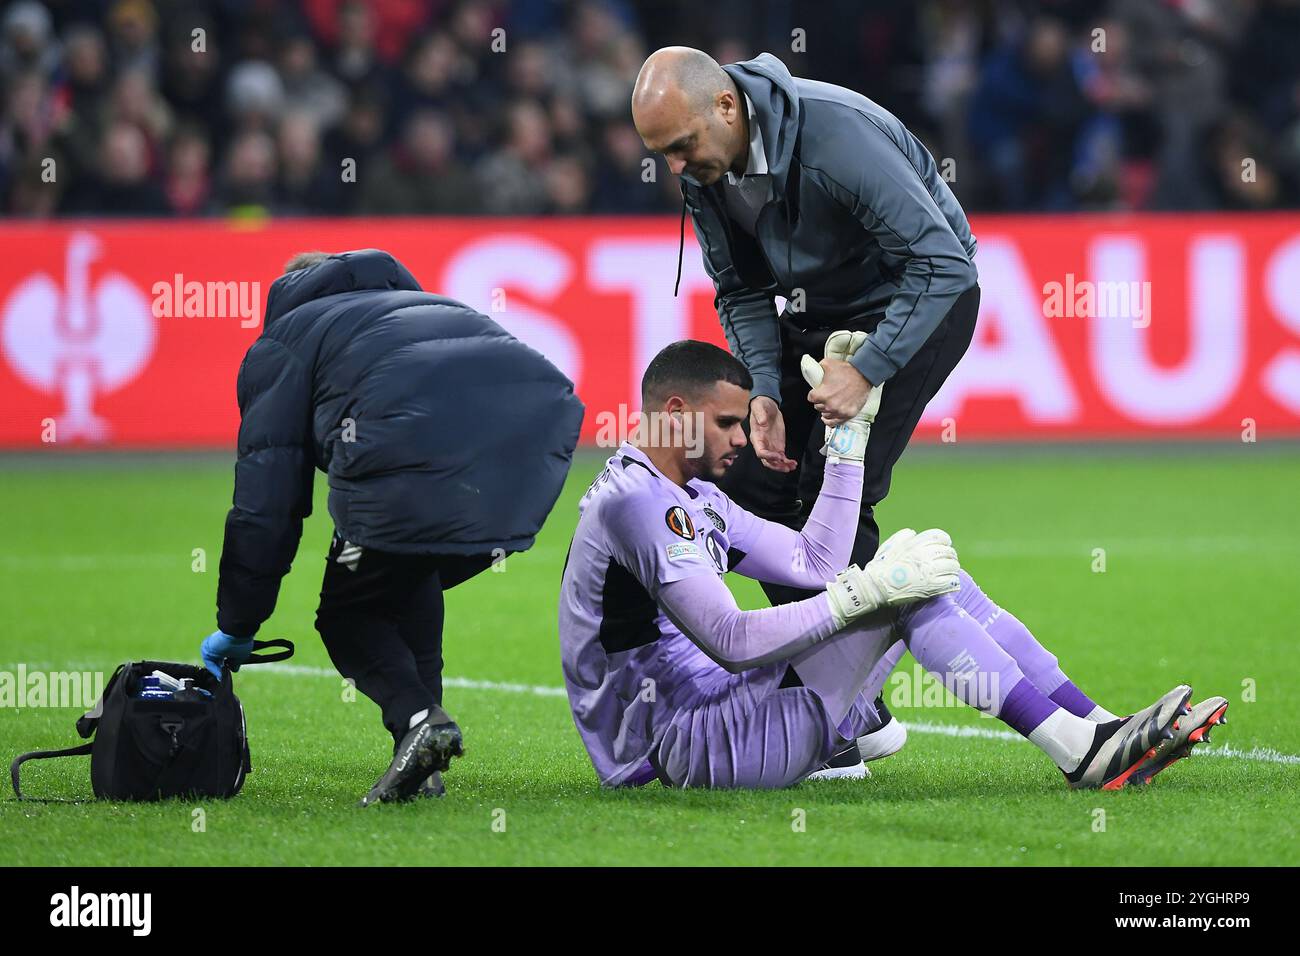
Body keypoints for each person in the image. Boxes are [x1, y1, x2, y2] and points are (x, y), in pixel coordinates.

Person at [557, 340, 1227, 790]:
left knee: (934, 575)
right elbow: (731, 641)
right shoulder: (639, 505)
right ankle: (1080, 755)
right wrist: (860, 595)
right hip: (678, 748)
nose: (743, 437)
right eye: (729, 423)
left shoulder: (689, 496)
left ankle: (1098, 726)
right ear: (676, 413)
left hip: (719, 714)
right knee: (900, 594)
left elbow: (813, 560)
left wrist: (847, 445)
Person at [201, 249, 584, 805]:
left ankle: (419, 722)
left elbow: (269, 498)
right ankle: (421, 759)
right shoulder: (421, 306)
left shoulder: (287, 339)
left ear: (288, 294)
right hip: (523, 446)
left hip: (403, 451)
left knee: (349, 613)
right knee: (405, 574)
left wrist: (238, 622)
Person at [630, 48, 981, 607]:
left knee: (836, 484)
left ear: (726, 106)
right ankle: (818, 671)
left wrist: (866, 370)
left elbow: (943, 264)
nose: (673, 167)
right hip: (818, 311)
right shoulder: (706, 167)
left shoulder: (836, 137)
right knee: (743, 477)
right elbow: (741, 289)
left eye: (680, 146)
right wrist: (763, 390)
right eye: (660, 153)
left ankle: (848, 688)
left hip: (914, 302)